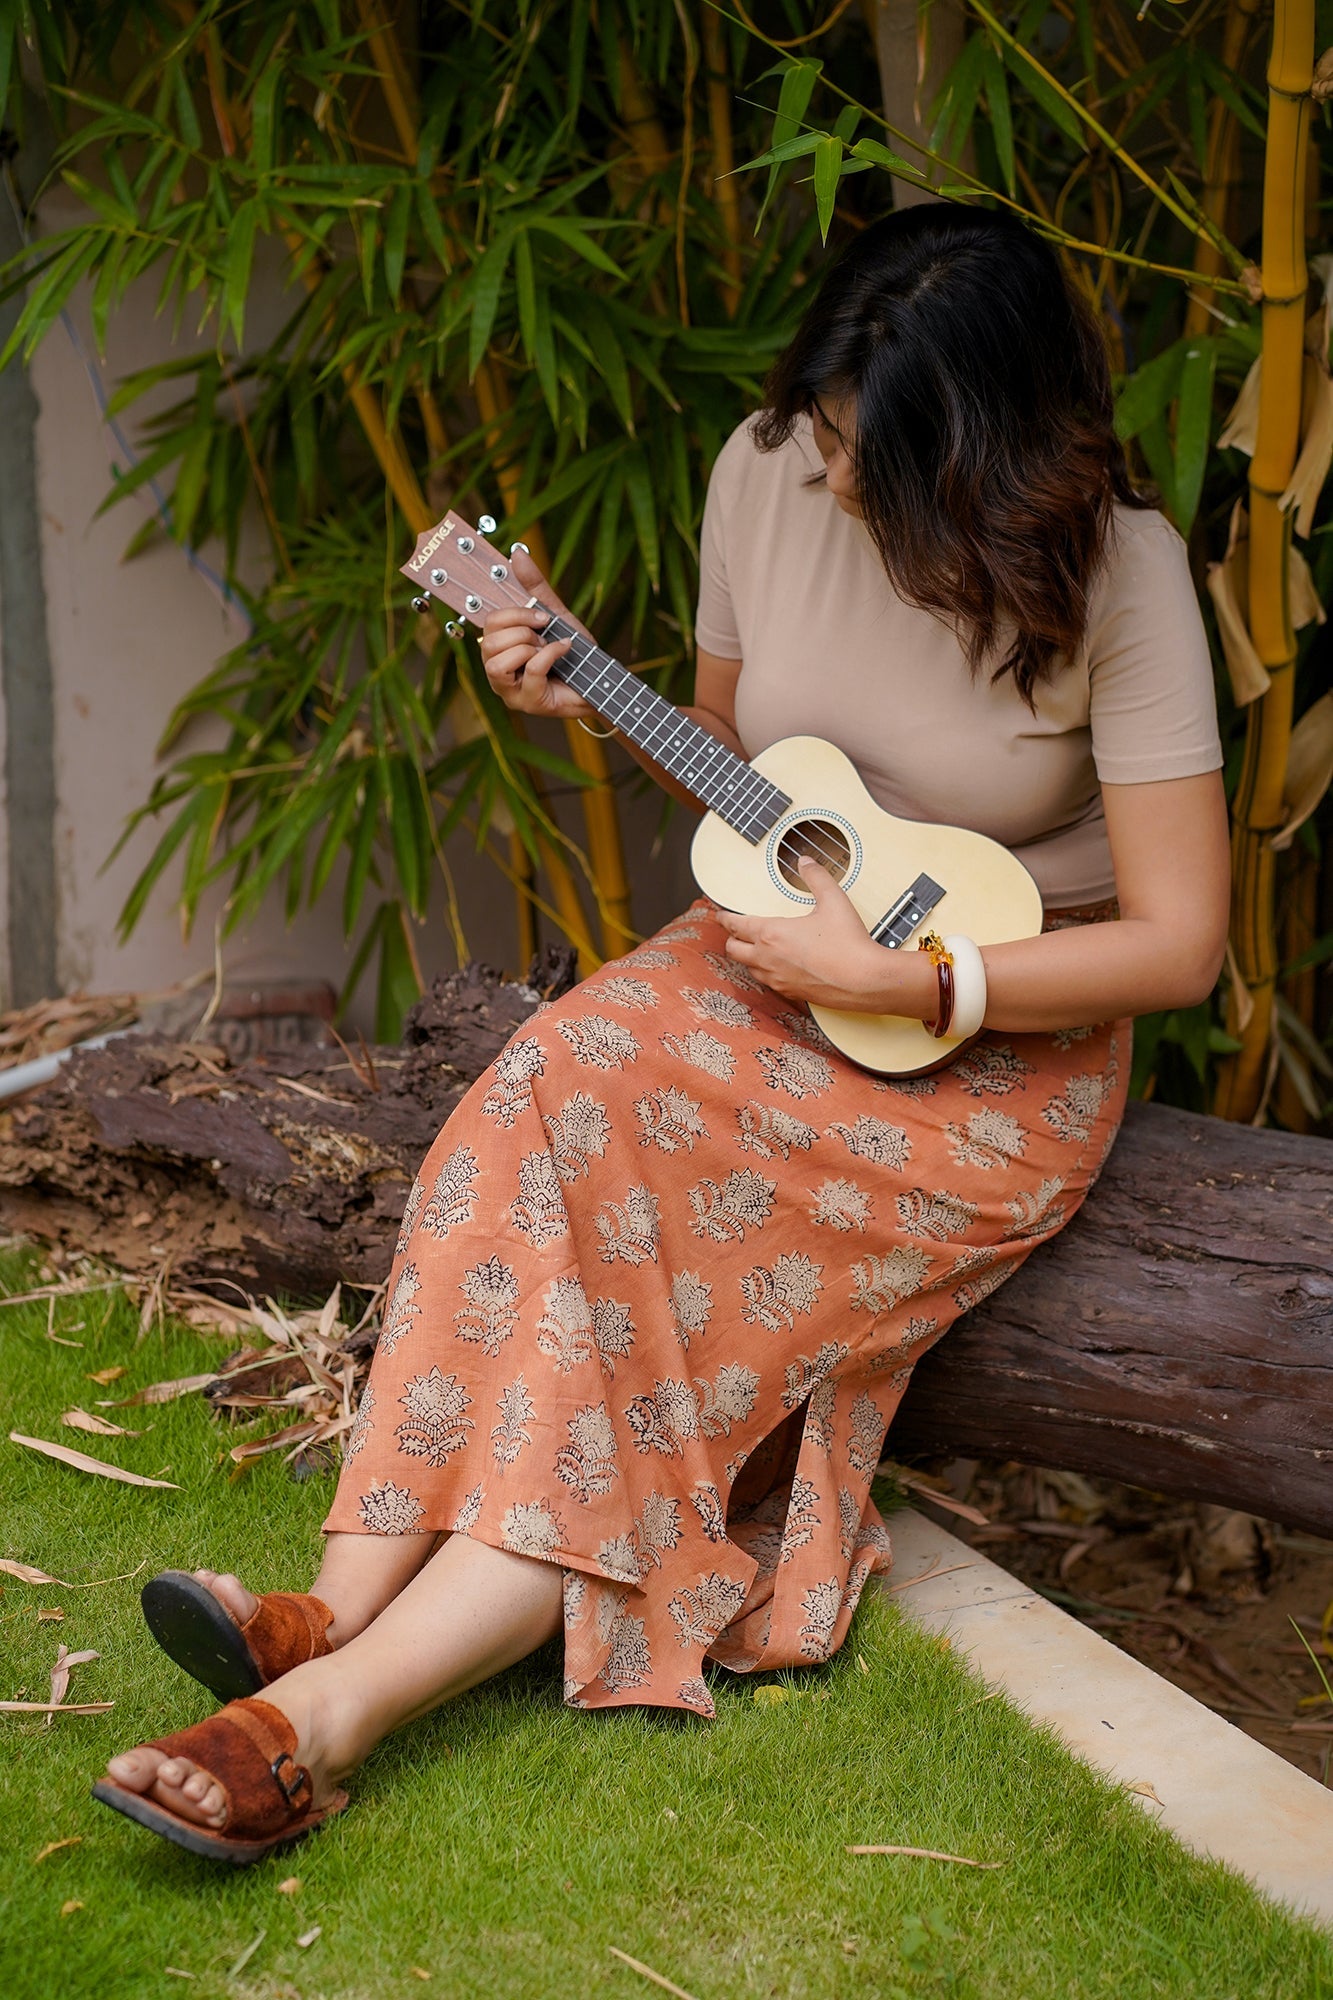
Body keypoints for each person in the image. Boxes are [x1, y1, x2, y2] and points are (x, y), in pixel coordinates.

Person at [94, 204, 1229, 1861]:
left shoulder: (1120, 578)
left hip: (984, 1045)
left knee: (657, 1326)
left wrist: (909, 983)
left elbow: (1181, 941)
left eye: (863, 452)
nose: (826, 474)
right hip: (768, 960)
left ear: (979, 456)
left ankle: (320, 1724)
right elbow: (739, 763)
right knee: (536, 1087)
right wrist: (579, 685)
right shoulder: (759, 469)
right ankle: (318, 1610)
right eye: (823, 429)